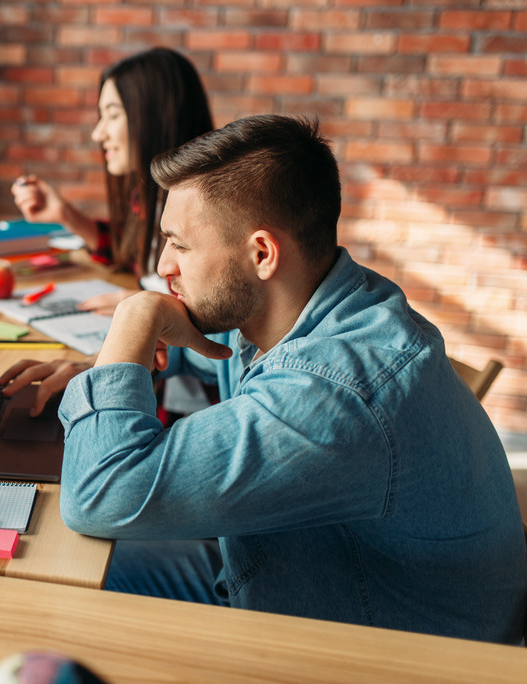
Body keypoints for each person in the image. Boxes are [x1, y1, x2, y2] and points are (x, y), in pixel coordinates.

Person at [52, 114, 527, 644]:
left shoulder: (335, 393)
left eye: (179, 244)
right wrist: (108, 367)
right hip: (280, 578)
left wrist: (135, 320)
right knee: (81, 574)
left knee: (61, 594)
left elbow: (101, 494)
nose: (163, 266)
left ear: (261, 253)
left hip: (379, 656)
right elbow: (210, 351)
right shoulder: (309, 302)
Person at [8, 47, 215, 418]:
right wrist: (65, 215)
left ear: (152, 116)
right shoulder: (146, 197)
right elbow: (131, 252)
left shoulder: (205, 208)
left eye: (112, 115)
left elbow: (216, 321)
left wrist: (139, 312)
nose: (97, 132)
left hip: (192, 404)